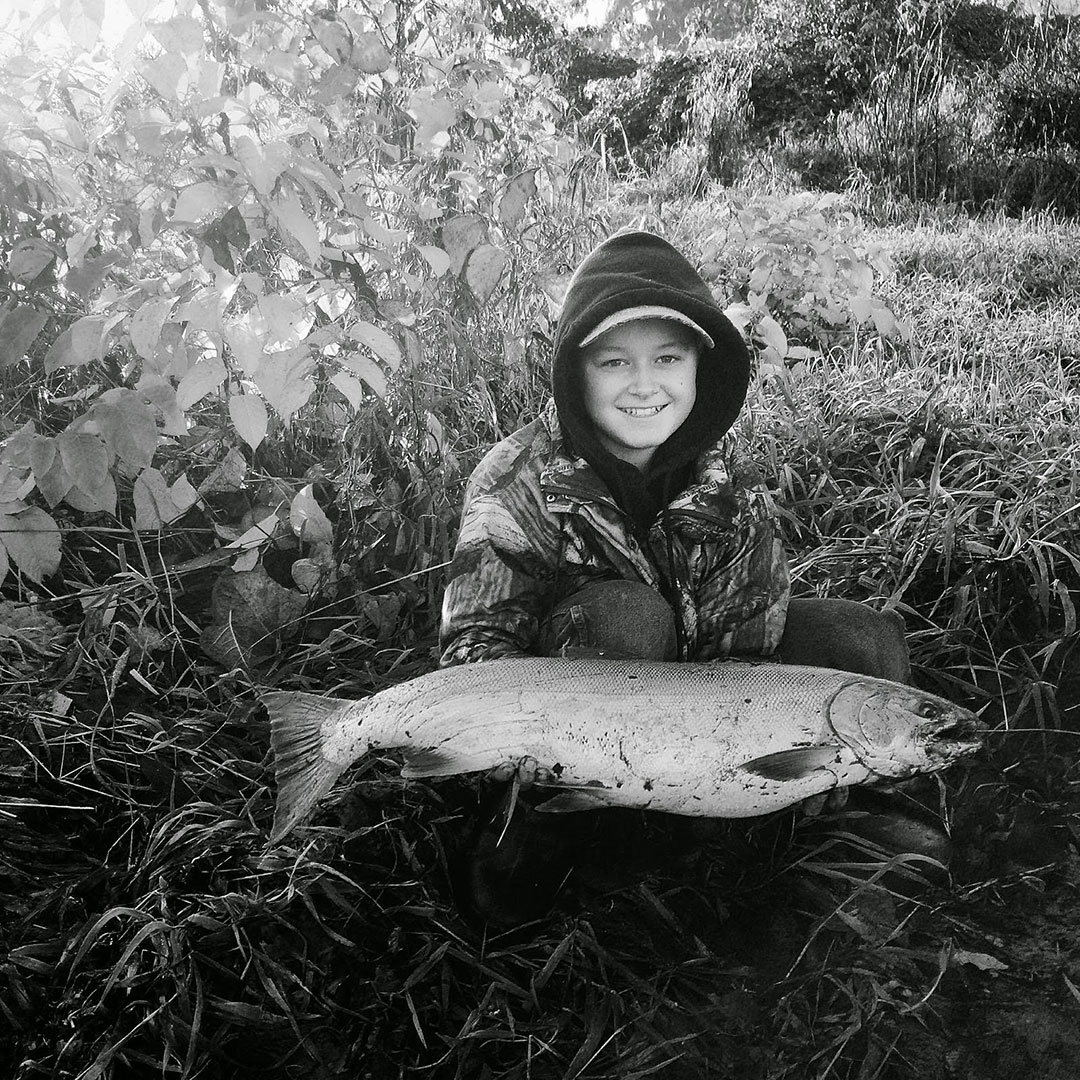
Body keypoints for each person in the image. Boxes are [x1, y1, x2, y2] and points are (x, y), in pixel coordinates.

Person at [438, 230, 912, 925]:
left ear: (699, 370)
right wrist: (519, 754)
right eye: (613, 362)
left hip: (694, 705)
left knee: (864, 642)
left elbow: (747, 645)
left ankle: (831, 819)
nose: (643, 385)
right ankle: (550, 835)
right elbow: (475, 650)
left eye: (667, 358)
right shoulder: (517, 479)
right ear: (577, 372)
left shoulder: (728, 488)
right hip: (563, 720)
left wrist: (777, 758)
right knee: (628, 617)